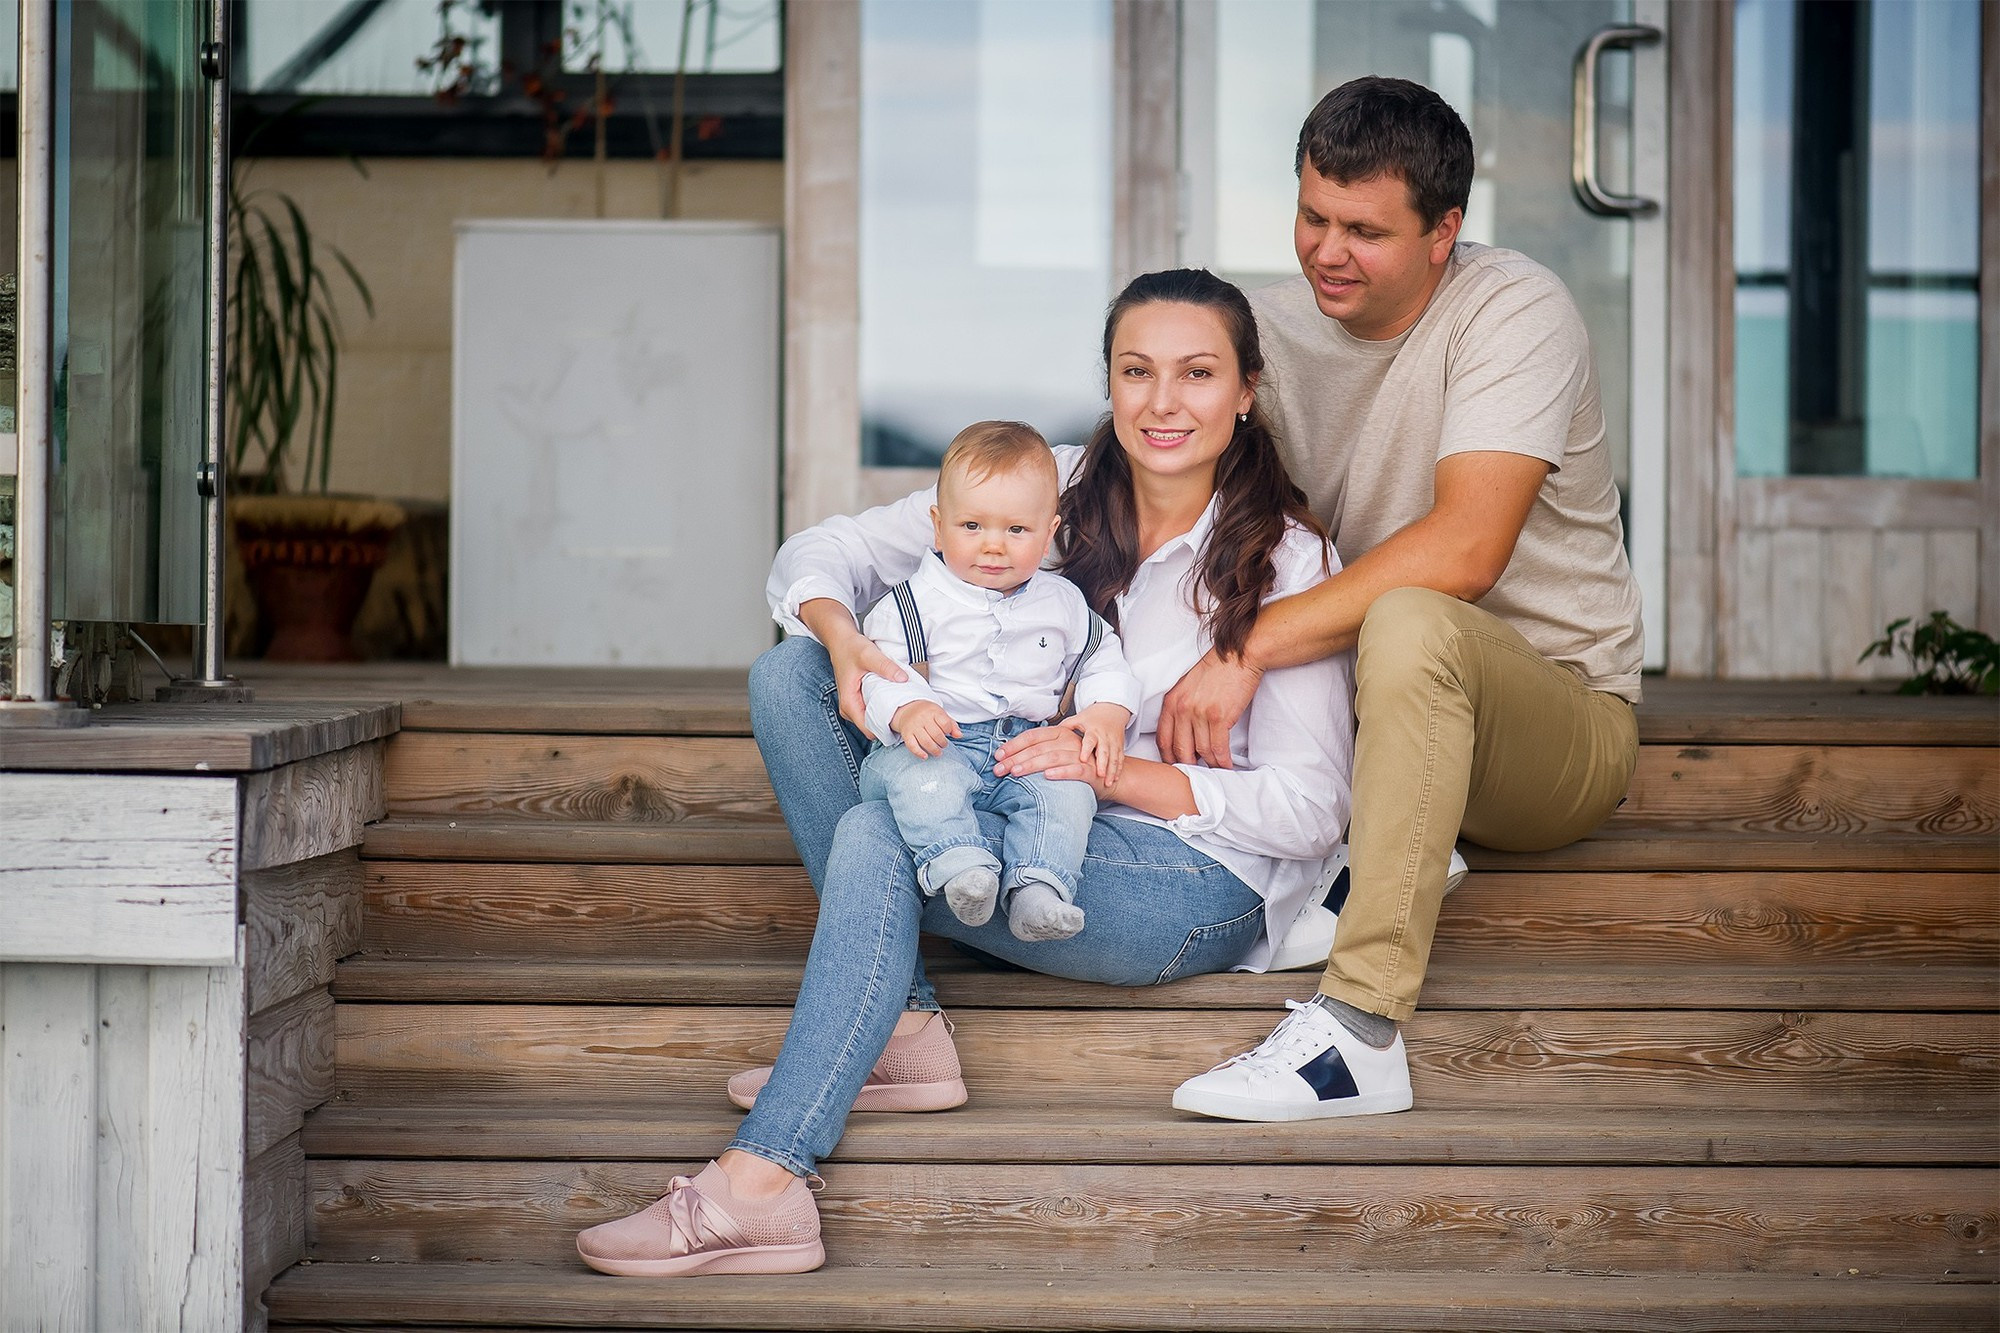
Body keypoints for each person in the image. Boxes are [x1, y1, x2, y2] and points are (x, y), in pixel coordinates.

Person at [575, 268, 1355, 1277]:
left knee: (873, 832)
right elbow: (824, 552)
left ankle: (767, 1174)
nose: (1162, 403)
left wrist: (1111, 771)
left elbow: (1307, 811)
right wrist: (847, 640)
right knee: (793, 673)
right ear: (1108, 381)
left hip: (1193, 876)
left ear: (1246, 389)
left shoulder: (1286, 561)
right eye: (1136, 371)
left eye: (1196, 373)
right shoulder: (1050, 486)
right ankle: (894, 1027)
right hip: (1006, 796)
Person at [1166, 77, 1644, 1123]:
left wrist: (1248, 648)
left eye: (1364, 231)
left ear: (1443, 232)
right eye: (1311, 218)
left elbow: (1466, 549)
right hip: (1365, 719)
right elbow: (1140, 491)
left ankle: (1357, 1034)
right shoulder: (1269, 338)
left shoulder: (1512, 308)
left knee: (1412, 615)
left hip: (1555, 725)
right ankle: (1335, 869)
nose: (1327, 251)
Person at [854, 419, 1141, 943]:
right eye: (972, 527)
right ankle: (961, 865)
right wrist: (907, 709)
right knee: (924, 784)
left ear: (1049, 531)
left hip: (1023, 750)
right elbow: (879, 675)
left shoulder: (1062, 602)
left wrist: (1105, 712)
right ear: (938, 526)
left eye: (1016, 530)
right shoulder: (909, 604)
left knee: (1070, 795)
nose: (994, 547)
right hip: (937, 744)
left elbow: (1103, 659)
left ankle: (1038, 888)